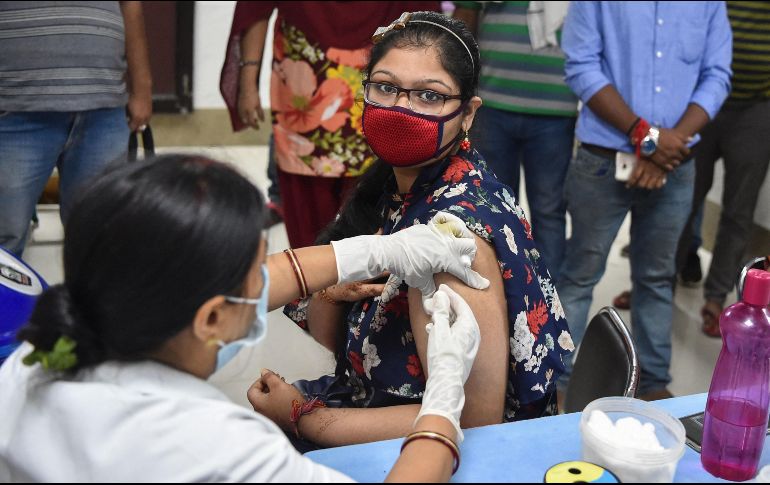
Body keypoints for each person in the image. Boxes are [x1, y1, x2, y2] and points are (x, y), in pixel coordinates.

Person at [0, 154, 490, 482]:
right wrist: (444, 401)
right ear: (211, 317)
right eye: (253, 271)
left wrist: (381, 249)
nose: (265, 279)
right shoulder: (218, 446)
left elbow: (272, 276)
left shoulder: (36, 356)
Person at [268, 11, 573, 451]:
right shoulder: (395, 189)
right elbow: (341, 342)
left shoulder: (453, 237)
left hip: (438, 451)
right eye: (386, 87)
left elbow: (471, 419)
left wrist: (306, 420)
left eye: (430, 95)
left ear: (467, 114)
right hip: (373, 407)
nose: (401, 109)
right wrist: (331, 292)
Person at [557, 2, 732, 401]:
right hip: (603, 159)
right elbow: (582, 66)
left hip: (676, 161)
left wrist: (667, 145)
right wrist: (647, 138)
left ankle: (653, 382)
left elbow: (716, 75)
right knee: (581, 272)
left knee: (656, 277)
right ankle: (556, 381)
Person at [220, 1, 440, 248]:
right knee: (306, 203)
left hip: (383, 76)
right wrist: (248, 83)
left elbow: (427, 21)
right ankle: (310, 278)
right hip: (305, 78)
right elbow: (254, 9)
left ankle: (369, 278)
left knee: (381, 188)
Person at [0, 1, 152, 257]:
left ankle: (86, 299)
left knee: (98, 237)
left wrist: (142, 87)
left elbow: (131, 5)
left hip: (105, 110)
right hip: (15, 108)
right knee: (5, 237)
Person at [452, 1, 578, 281]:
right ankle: (498, 295)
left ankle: (550, 308)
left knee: (549, 210)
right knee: (490, 207)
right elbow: (462, 23)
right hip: (492, 103)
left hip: (556, 108)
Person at [675, 1, 770, 338]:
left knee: (738, 211)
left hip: (756, 107)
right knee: (680, 200)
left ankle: (716, 299)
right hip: (699, 100)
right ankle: (659, 286)